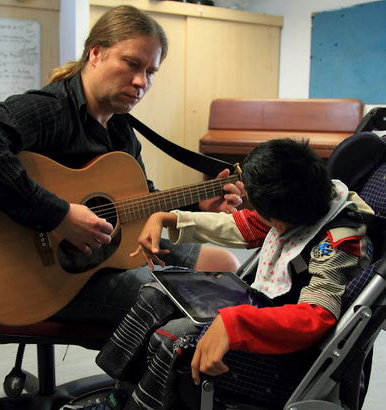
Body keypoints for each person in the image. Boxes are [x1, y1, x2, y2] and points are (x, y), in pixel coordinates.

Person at [0, 5, 242, 326]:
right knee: (188, 301)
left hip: (100, 258)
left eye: (151, 72)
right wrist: (58, 215)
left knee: (222, 265)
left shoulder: (121, 127)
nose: (141, 81)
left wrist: (197, 205)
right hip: (40, 277)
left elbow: (137, 200)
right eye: (131, 64)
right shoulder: (48, 110)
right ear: (95, 54)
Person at [94, 138, 374, 409]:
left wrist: (237, 323)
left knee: (175, 336)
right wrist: (170, 218)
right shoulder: (304, 200)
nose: (255, 214)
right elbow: (246, 225)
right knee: (156, 293)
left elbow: (317, 315)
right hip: (262, 304)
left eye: (260, 211)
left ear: (278, 221)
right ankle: (118, 397)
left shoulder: (340, 243)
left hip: (285, 342)